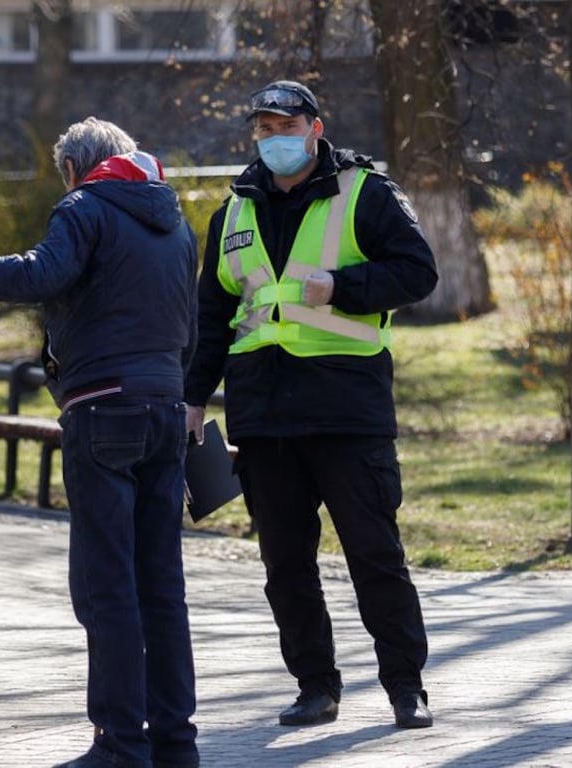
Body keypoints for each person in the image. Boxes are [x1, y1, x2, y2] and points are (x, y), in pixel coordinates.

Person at [0, 117, 200, 768]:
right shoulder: (173, 220)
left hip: (103, 409)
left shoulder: (84, 208)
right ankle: (174, 744)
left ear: (76, 170)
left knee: (105, 587)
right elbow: (185, 323)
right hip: (164, 406)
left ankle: (119, 745)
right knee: (161, 589)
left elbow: (36, 276)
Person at [183, 80, 439, 730]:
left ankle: (405, 686)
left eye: (284, 125)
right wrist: (190, 399)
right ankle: (314, 687)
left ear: (314, 128)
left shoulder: (365, 193)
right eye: (263, 129)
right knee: (284, 566)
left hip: (344, 410)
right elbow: (211, 316)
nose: (273, 139)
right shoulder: (232, 212)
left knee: (373, 555)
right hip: (263, 416)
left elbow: (417, 272)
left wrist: (342, 287)